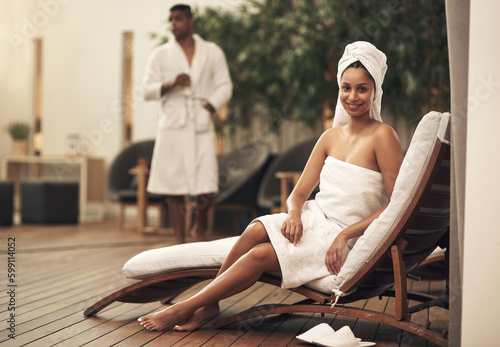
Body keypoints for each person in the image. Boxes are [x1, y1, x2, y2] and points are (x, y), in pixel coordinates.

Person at [138, 41, 404, 331]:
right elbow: (298, 194)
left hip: (346, 238)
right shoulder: (331, 137)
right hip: (315, 221)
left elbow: (397, 205)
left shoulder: (383, 136)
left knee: (259, 256)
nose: (352, 97)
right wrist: (294, 214)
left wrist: (345, 235)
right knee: (255, 229)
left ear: (375, 90)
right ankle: (209, 304)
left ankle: (184, 308)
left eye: (362, 88)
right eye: (346, 88)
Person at [142, 4, 233, 243]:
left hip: (200, 121)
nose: (174, 23)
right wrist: (170, 84)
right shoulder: (160, 55)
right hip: (173, 123)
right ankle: (179, 239)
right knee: (174, 185)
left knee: (207, 182)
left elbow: (225, 85)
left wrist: (210, 106)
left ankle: (198, 228)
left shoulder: (212, 51)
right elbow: (146, 90)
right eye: (171, 19)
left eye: (179, 19)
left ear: (191, 21)